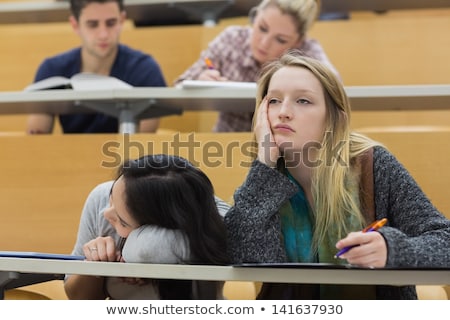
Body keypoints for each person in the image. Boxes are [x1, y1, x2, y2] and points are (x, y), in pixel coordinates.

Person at [224, 51, 450, 299]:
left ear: (334, 118)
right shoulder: (266, 177)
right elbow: (242, 253)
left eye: (303, 101)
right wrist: (264, 164)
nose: (283, 112)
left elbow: (444, 241)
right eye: (274, 101)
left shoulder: (372, 165)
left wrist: (392, 249)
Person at [64, 154, 229, 299]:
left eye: (122, 221)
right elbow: (78, 298)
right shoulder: (102, 198)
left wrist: (138, 258)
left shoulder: (214, 223)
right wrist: (95, 265)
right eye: (111, 197)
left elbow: (147, 249)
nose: (106, 214)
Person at [175, 0, 338, 132]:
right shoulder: (232, 39)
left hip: (285, 150)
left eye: (280, 40)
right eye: (262, 28)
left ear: (298, 42)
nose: (264, 43)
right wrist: (201, 78)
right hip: (225, 142)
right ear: (255, 16)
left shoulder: (307, 52)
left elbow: (336, 93)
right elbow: (180, 84)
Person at [27, 0, 166, 134]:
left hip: (124, 156)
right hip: (71, 156)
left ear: (122, 20)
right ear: (75, 25)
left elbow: (141, 142)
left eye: (111, 23)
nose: (103, 34)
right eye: (92, 25)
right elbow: (36, 140)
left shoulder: (144, 69)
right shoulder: (52, 70)